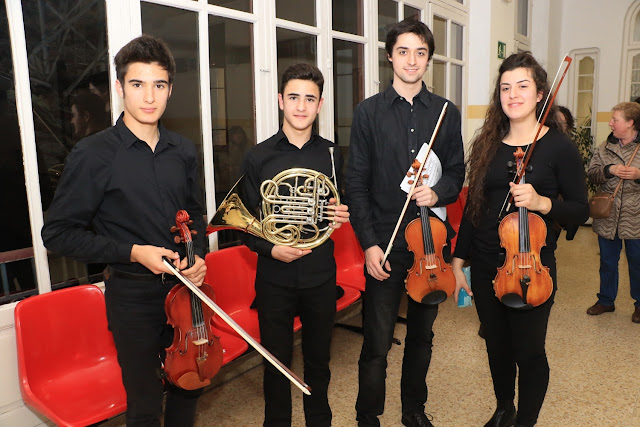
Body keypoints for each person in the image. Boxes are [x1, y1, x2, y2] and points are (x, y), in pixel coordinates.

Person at [41, 35, 207, 426]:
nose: (149, 96)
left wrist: (198, 255)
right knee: (146, 401)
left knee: (191, 384)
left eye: (159, 85)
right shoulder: (93, 154)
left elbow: (195, 216)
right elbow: (58, 233)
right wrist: (134, 251)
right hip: (132, 297)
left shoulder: (183, 151)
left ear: (169, 90)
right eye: (137, 84)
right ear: (120, 88)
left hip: (186, 291)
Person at [451, 52, 589, 427]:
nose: (513, 94)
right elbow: (473, 207)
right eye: (506, 87)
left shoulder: (558, 146)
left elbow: (581, 209)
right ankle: (503, 407)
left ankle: (525, 420)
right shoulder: (489, 143)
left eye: (522, 86)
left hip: (532, 266)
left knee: (528, 351)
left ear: (541, 92)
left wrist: (544, 202)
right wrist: (458, 260)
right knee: (496, 347)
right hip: (484, 263)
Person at [347, 19, 465, 427]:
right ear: (389, 56)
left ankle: (413, 410)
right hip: (385, 244)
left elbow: (456, 171)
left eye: (420, 52)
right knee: (377, 342)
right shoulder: (368, 113)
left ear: (428, 59)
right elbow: (356, 184)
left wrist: (439, 192)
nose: (411, 60)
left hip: (430, 244)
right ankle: (368, 415)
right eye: (403, 51)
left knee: (422, 336)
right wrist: (368, 244)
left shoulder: (446, 113)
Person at [240, 63, 350, 427]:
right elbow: (244, 223)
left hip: (320, 275)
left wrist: (338, 215)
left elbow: (339, 205)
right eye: (293, 97)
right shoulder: (258, 157)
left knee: (319, 362)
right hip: (275, 277)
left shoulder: (333, 156)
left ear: (320, 105)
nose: (301, 106)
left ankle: (319, 421)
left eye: (309, 99)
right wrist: (272, 249)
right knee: (276, 364)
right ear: (280, 101)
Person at [586, 102, 640, 324]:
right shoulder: (604, 148)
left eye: (615, 120)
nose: (610, 123)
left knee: (637, 263)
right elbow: (592, 174)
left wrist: (638, 174)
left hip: (636, 218)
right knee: (608, 262)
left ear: (630, 123)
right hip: (608, 217)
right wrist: (610, 170)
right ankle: (606, 300)